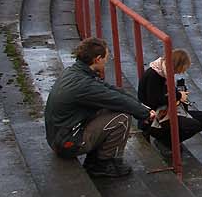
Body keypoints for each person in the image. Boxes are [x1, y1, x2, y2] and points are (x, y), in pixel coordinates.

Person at [43, 40, 154, 178]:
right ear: (97, 59)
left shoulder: (75, 72)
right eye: (106, 59)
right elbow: (116, 100)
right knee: (122, 119)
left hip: (58, 136)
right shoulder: (84, 84)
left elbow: (112, 91)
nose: (106, 63)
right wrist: (145, 114)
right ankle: (102, 164)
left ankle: (96, 158)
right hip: (66, 143)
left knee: (110, 108)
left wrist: (143, 108)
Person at [137, 50, 202, 147]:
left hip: (167, 111)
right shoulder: (154, 76)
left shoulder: (164, 73)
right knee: (193, 125)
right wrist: (178, 96)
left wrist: (178, 95)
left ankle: (170, 139)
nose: (183, 71)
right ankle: (166, 142)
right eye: (183, 68)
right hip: (155, 118)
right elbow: (154, 101)